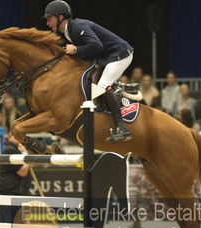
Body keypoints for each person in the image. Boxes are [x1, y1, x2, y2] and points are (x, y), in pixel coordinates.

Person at [43, 0, 134, 142]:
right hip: (107, 56)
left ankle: (122, 128)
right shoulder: (69, 32)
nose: (48, 23)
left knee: (103, 85)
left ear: (60, 17)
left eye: (50, 18)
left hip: (120, 53)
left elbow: (96, 45)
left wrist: (77, 49)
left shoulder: (78, 27)